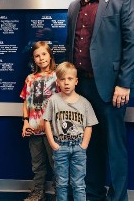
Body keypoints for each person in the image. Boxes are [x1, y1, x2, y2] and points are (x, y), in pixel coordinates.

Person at [65, 0, 134, 201]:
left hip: (110, 90)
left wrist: (124, 84)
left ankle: (118, 198)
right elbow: (70, 47)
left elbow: (131, 44)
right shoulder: (74, 7)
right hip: (81, 89)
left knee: (115, 148)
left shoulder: (122, 0)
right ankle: (93, 194)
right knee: (89, 145)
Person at [43, 61, 98, 201]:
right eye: (62, 79)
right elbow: (46, 122)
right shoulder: (53, 101)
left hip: (78, 147)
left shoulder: (84, 103)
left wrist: (84, 145)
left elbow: (89, 125)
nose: (66, 83)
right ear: (57, 82)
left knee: (78, 184)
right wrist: (53, 143)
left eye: (70, 79)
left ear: (76, 81)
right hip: (60, 146)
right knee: (61, 184)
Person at [20, 41, 59, 201]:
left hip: (52, 130)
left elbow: (61, 102)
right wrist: (25, 121)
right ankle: (37, 192)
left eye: (44, 54)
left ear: (50, 55)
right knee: (37, 164)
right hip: (34, 129)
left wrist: (47, 120)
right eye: (37, 55)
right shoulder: (30, 78)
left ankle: (60, 193)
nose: (41, 58)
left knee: (55, 162)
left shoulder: (58, 77)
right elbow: (25, 101)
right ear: (33, 59)